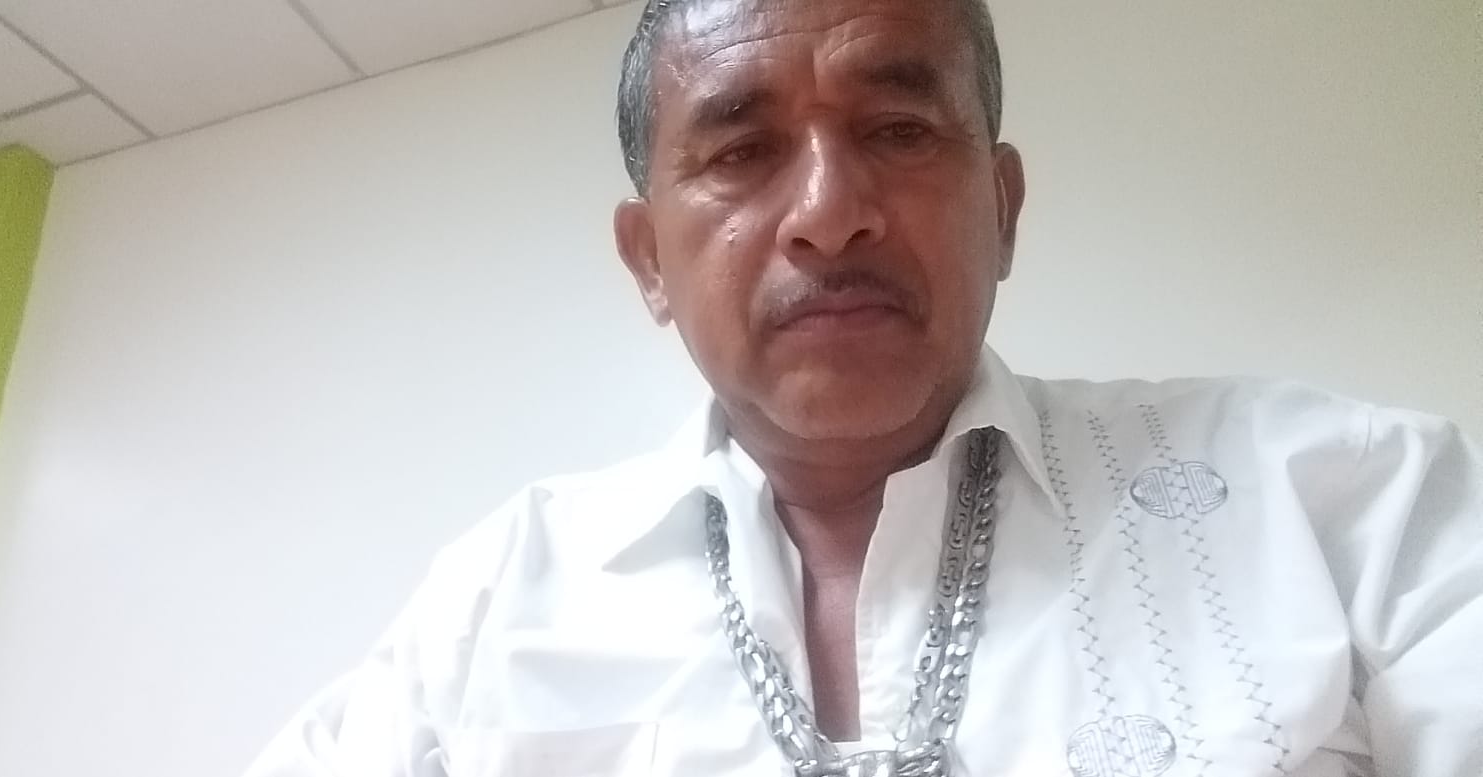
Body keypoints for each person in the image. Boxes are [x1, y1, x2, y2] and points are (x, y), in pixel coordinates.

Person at [243, 0, 1483, 775]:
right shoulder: (497, 603)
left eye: (899, 131)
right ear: (650, 262)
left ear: (1001, 208)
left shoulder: (1345, 505)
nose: (830, 214)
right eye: (741, 150)